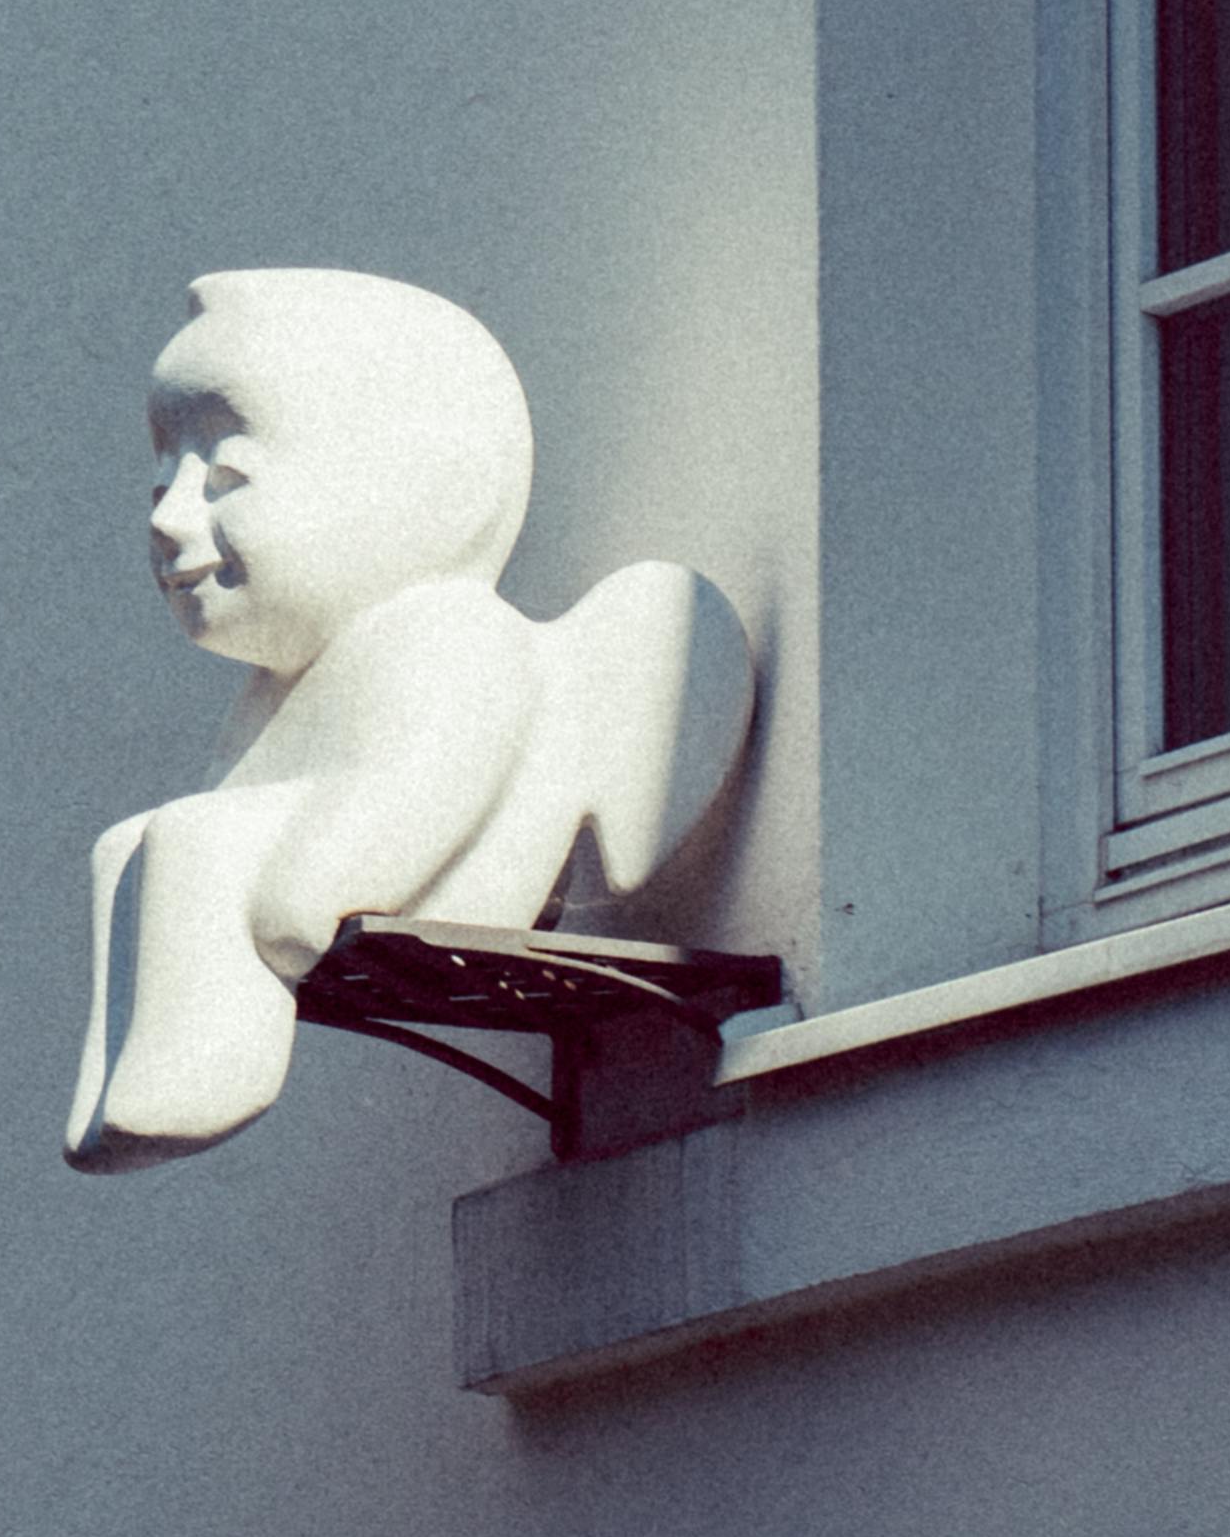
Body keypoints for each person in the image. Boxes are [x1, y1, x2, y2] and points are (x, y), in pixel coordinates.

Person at [62, 269, 748, 1171]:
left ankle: (203, 1074)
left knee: (196, 839)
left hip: (440, 881)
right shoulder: (289, 685)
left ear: (430, 484)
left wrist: (313, 887)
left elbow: (425, 785)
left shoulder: (452, 632)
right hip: (317, 885)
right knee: (127, 845)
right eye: (163, 478)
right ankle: (125, 1085)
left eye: (224, 476)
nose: (168, 514)